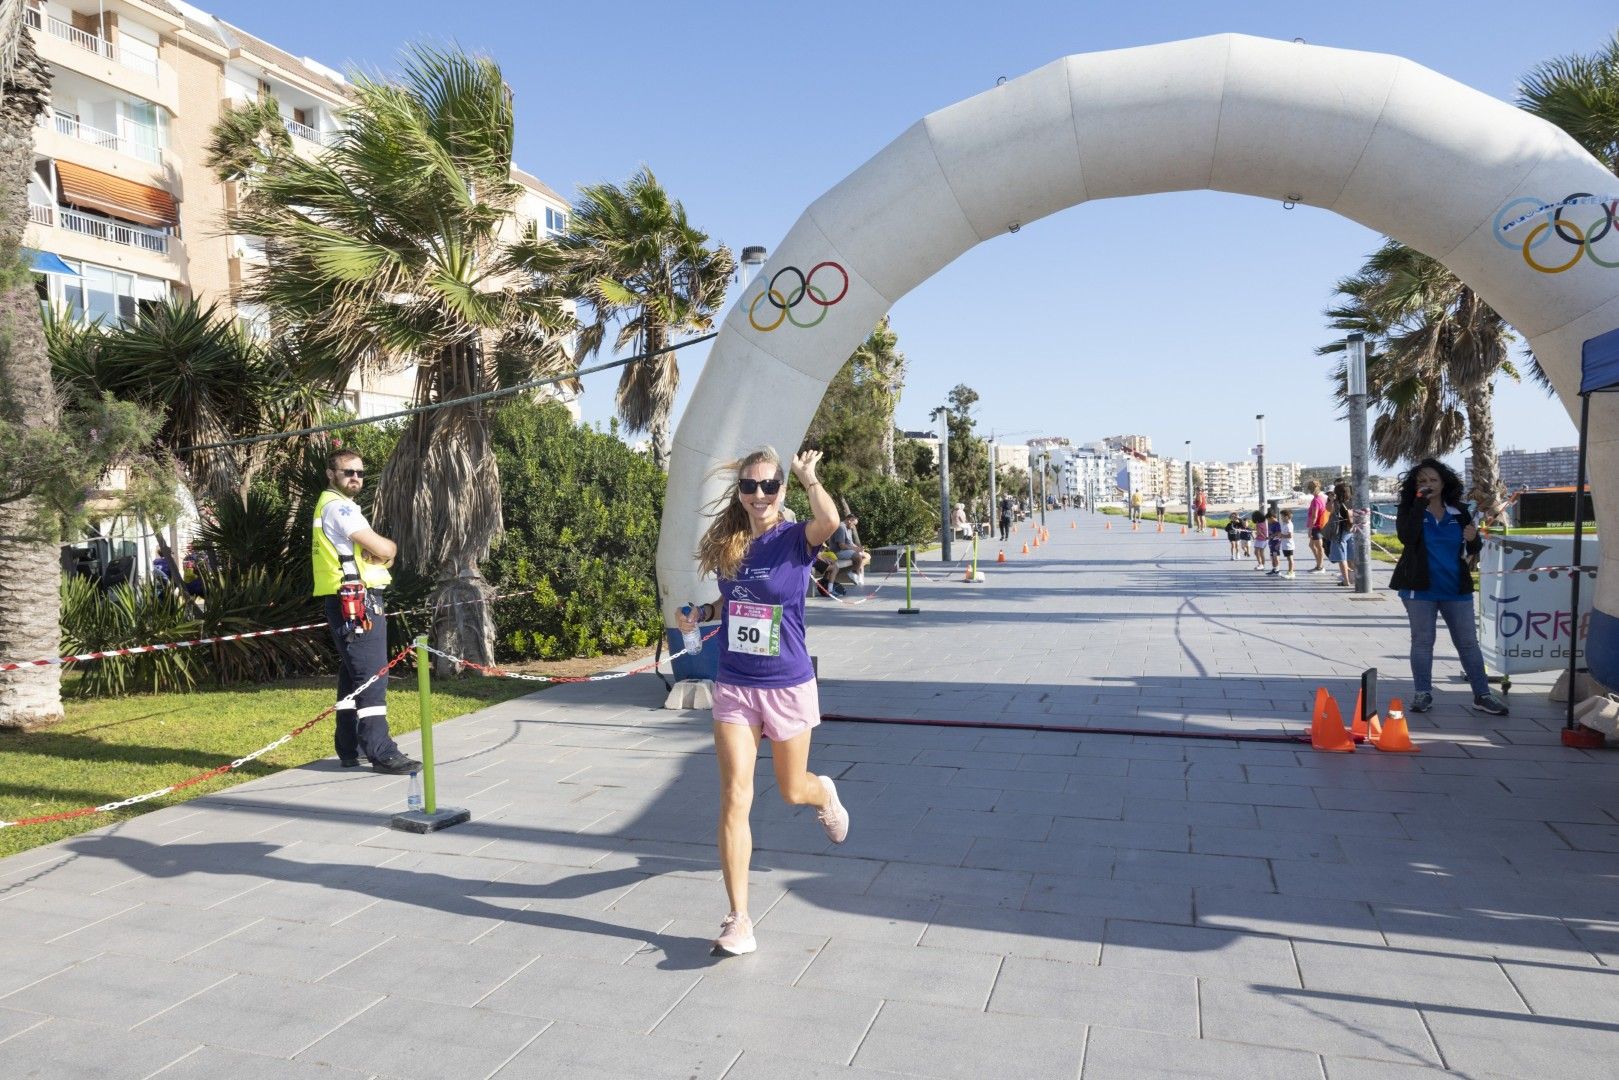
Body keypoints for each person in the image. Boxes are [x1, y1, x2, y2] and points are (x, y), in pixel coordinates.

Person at [675, 447, 851, 958]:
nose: (759, 495)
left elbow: (831, 521)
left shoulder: (797, 540)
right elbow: (732, 602)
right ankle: (739, 919)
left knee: (793, 790)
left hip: (788, 685)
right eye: (750, 487)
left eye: (769, 486)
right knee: (735, 797)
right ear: (740, 492)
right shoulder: (730, 543)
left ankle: (825, 794)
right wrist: (700, 613)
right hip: (734, 684)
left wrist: (810, 477)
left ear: (781, 490)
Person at [313, 449, 420, 774]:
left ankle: (350, 747)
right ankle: (381, 751)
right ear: (332, 474)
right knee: (372, 678)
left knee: (353, 678)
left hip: (347, 599)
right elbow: (385, 548)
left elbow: (377, 553)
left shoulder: (330, 506)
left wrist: (382, 554)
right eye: (348, 472)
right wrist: (388, 551)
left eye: (360, 472)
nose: (356, 477)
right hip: (357, 603)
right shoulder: (340, 508)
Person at [1389, 459, 1509, 716]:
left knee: (1467, 643)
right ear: (1415, 485)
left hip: (1456, 587)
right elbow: (1406, 538)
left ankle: (1483, 694)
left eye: (1433, 480)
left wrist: (1474, 539)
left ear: (1444, 482)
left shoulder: (1460, 511)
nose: (1428, 485)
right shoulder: (1410, 509)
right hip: (1419, 589)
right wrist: (1420, 502)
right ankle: (1423, 693)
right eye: (1422, 481)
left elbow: (1472, 548)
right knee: (1422, 642)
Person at [822, 511, 870, 597]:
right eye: (853, 524)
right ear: (849, 520)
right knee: (858, 557)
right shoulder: (841, 527)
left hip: (845, 550)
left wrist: (859, 548)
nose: (853, 526)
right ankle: (854, 572)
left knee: (866, 556)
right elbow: (842, 546)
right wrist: (856, 550)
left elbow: (850, 543)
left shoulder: (849, 528)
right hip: (838, 552)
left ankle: (855, 573)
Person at [1326, 481, 1353, 586]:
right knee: (1351, 556)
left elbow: (1328, 509)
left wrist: (1332, 500)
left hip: (1339, 532)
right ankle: (1354, 578)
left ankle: (1346, 580)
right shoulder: (1351, 501)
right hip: (1350, 530)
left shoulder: (1337, 503)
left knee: (1342, 557)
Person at [1305, 479, 1329, 574]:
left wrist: (1310, 529)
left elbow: (1314, 516)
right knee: (1312, 545)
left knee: (1319, 547)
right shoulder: (1322, 498)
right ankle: (1318, 564)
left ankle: (1320, 566)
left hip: (1317, 526)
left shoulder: (1316, 500)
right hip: (1320, 525)